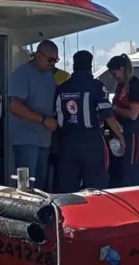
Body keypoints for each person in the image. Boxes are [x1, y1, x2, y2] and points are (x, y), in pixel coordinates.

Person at [54, 50, 125, 193]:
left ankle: (68, 214)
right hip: (91, 141)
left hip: (66, 141)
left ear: (74, 66)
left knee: (67, 185)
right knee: (95, 185)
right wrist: (120, 137)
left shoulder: (62, 88)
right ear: (90, 66)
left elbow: (55, 114)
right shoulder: (97, 86)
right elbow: (107, 115)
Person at [8, 40, 59, 190]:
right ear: (38, 55)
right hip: (26, 140)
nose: (53, 64)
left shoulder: (50, 77)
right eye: (50, 60)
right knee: (27, 187)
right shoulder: (22, 74)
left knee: (40, 187)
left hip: (44, 140)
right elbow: (15, 106)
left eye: (56, 60)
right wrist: (44, 120)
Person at [106, 53, 139, 187]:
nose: (113, 77)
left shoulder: (136, 86)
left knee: (131, 167)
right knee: (119, 168)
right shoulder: (120, 86)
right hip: (120, 130)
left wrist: (115, 108)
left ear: (122, 70)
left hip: (133, 131)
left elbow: (133, 114)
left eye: (114, 73)